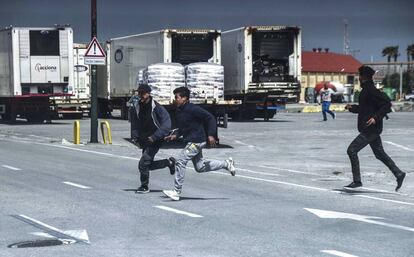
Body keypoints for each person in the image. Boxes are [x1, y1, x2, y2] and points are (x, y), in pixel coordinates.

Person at [162, 86, 236, 201]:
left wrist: (211, 135)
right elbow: (184, 127)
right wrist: (175, 136)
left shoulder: (193, 108)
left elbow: (210, 118)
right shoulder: (180, 110)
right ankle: (226, 164)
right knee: (200, 167)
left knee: (181, 161)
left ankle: (176, 191)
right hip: (193, 140)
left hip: (197, 141)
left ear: (184, 98)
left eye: (176, 97)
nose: (174, 99)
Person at [344, 65, 406, 191]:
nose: (359, 78)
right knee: (379, 154)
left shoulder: (371, 90)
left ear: (364, 77)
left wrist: (376, 118)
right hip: (370, 129)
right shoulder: (366, 90)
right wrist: (352, 108)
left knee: (352, 150)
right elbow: (364, 109)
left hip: (371, 129)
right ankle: (399, 174)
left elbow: (387, 104)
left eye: (360, 76)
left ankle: (357, 181)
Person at [130, 84, 176, 193]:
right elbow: (135, 123)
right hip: (144, 139)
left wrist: (155, 136)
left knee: (143, 163)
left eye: (143, 93)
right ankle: (168, 163)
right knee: (147, 165)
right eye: (139, 92)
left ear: (148, 93)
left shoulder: (157, 107)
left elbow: (166, 124)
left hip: (155, 139)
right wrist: (135, 137)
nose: (141, 95)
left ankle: (144, 186)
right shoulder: (136, 107)